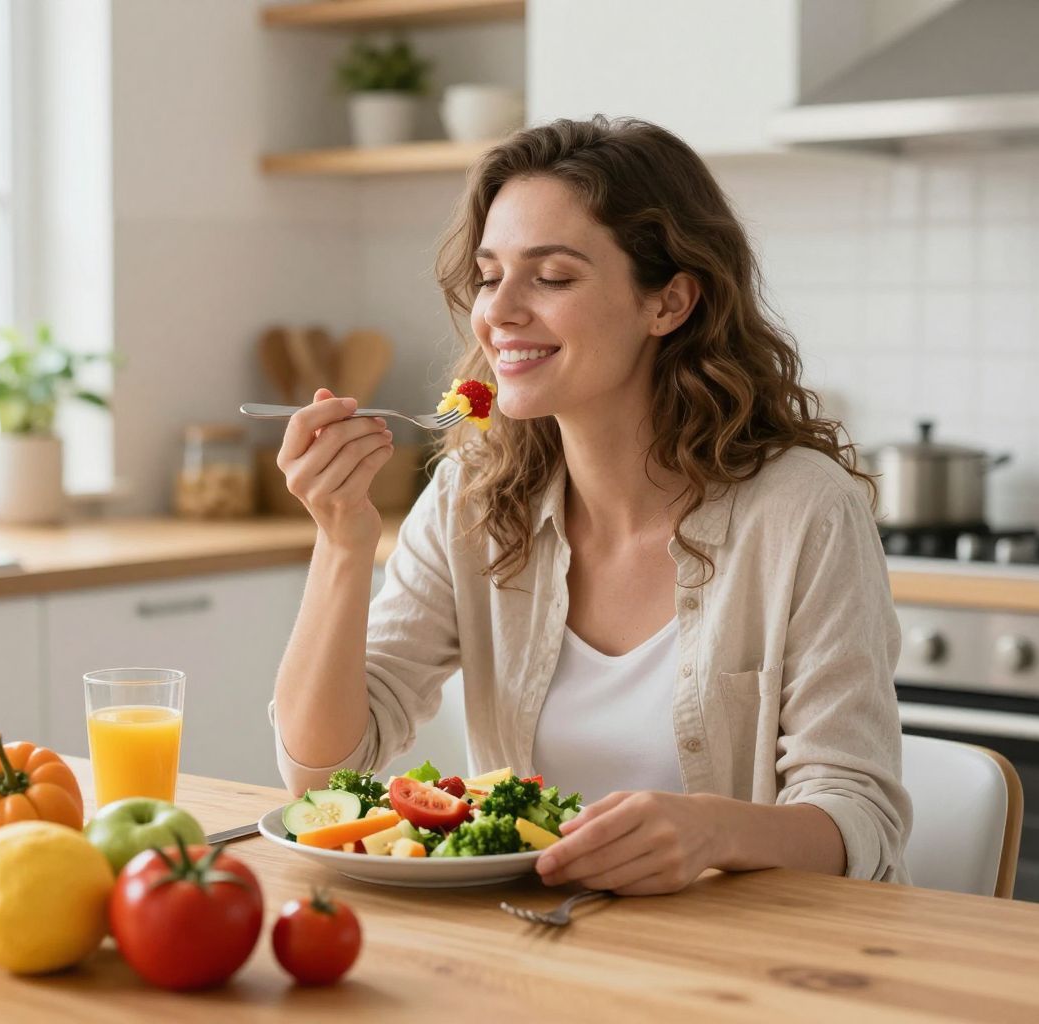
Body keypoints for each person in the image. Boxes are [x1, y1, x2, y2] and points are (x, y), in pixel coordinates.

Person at [269, 116, 910, 895]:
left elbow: (860, 819)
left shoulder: (804, 512)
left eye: (552, 277)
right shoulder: (472, 493)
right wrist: (340, 543)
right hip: (539, 944)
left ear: (668, 301)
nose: (498, 311)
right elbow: (322, 772)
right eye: (489, 274)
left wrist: (712, 828)